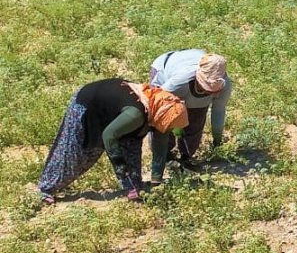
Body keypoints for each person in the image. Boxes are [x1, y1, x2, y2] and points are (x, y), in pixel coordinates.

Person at [38, 78, 188, 205]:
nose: (168, 130)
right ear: (162, 117)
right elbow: (109, 136)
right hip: (89, 105)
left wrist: (157, 181)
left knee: (132, 147)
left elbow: (160, 145)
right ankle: (47, 189)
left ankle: (133, 187)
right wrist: (119, 163)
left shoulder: (160, 112)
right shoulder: (136, 115)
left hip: (116, 111)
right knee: (76, 154)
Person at [148, 49, 231, 182]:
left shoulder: (225, 86)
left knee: (197, 118)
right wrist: (174, 125)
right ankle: (166, 156)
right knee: (163, 119)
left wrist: (217, 140)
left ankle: (186, 157)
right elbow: (155, 104)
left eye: (210, 90)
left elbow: (218, 112)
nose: (206, 91)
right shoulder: (179, 81)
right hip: (164, 70)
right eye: (204, 87)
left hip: (185, 76)